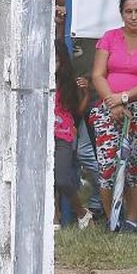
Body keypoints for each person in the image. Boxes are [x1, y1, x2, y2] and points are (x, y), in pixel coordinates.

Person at [89, 0, 137, 233]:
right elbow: (97, 74)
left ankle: (131, 221)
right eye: (128, 11)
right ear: (121, 14)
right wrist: (114, 102)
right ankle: (113, 220)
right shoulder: (109, 37)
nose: (133, 16)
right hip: (108, 109)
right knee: (107, 166)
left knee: (135, 167)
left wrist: (125, 98)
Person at [54, 34, 93, 229]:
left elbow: (78, 110)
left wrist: (86, 93)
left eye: (57, 60)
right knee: (47, 179)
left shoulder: (67, 83)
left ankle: (82, 212)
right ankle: (53, 217)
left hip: (63, 134)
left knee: (61, 178)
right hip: (42, 134)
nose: (53, 64)